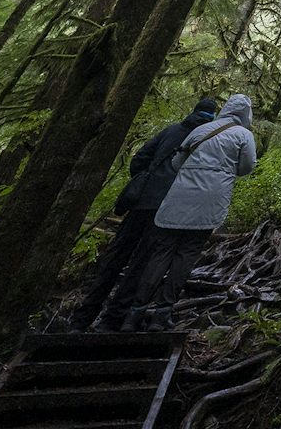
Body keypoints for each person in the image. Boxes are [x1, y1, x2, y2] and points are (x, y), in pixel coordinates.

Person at [63, 96, 218, 331]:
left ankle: (82, 318)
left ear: (194, 111)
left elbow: (140, 158)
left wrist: (145, 181)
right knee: (141, 263)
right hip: (168, 209)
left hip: (142, 203)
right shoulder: (207, 141)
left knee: (115, 258)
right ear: (212, 118)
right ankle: (113, 319)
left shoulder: (172, 130)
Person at [117, 92, 257, 331]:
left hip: (178, 198)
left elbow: (177, 163)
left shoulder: (201, 131)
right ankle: (162, 315)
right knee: (186, 255)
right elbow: (246, 167)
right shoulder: (244, 135)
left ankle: (134, 314)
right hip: (209, 202)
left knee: (161, 254)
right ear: (246, 114)